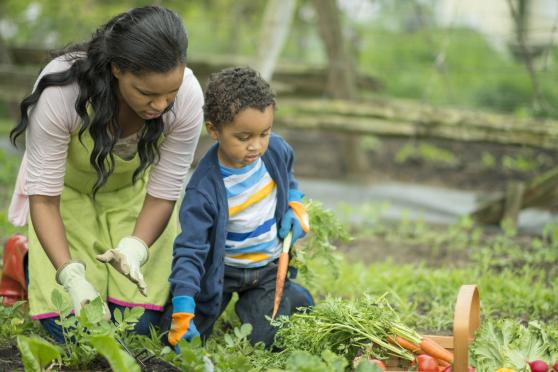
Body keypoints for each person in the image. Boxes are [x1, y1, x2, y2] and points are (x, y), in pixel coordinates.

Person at [7, 6, 204, 343]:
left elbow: (165, 191)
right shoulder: (62, 92)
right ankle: (22, 258)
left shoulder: (187, 97)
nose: (160, 106)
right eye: (146, 93)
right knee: (73, 328)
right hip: (63, 198)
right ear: (116, 69)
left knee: (138, 328)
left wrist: (136, 248)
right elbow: (44, 198)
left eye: (169, 95)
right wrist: (70, 276)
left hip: (135, 197)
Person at [165, 66, 314, 348]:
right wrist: (184, 304)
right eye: (243, 137)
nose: (256, 146)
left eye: (264, 133)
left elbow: (289, 177)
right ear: (214, 130)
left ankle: (291, 297)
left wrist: (295, 202)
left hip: (267, 269)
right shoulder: (204, 190)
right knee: (174, 338)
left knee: (267, 341)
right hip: (222, 273)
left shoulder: (277, 151)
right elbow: (190, 249)